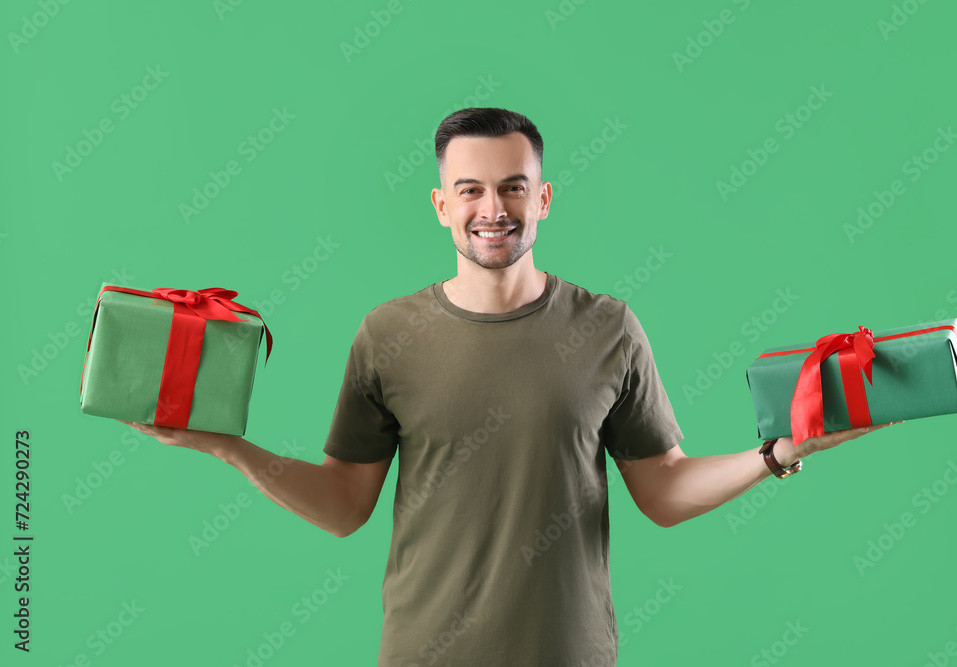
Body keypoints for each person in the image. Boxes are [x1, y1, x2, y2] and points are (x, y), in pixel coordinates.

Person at [121, 107, 895, 666]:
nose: (493, 209)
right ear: (440, 205)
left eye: (514, 187)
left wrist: (781, 451)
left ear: (544, 197)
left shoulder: (609, 327)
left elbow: (661, 489)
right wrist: (225, 445)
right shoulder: (388, 334)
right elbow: (344, 503)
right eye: (470, 190)